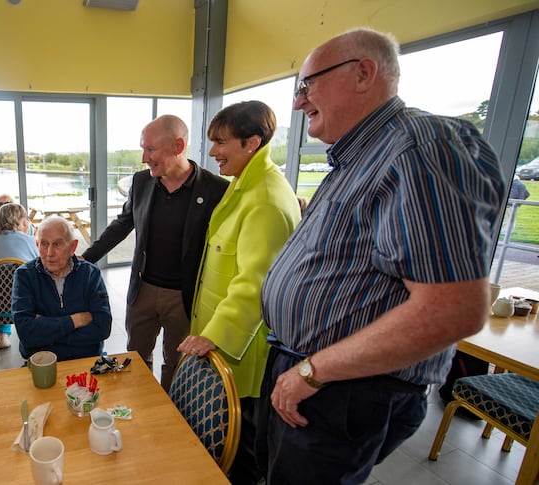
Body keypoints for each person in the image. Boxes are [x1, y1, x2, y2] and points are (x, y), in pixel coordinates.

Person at [255, 28, 505, 484]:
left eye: (307, 84)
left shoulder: (419, 148)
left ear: (363, 73)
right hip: (315, 374)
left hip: (341, 387)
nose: (298, 101)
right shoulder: (363, 154)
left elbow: (453, 310)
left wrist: (311, 372)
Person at [177, 100, 301, 485]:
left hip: (243, 350)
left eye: (221, 142)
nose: (212, 151)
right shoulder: (246, 184)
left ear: (252, 142)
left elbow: (255, 284)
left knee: (242, 449)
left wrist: (214, 336)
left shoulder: (264, 200)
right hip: (226, 341)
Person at [82, 114, 228, 390]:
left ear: (178, 146)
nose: (143, 157)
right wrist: (84, 259)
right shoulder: (141, 183)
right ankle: (139, 407)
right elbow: (121, 226)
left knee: (178, 362)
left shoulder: (216, 190)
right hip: (143, 291)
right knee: (135, 357)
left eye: (150, 149)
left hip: (185, 297)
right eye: (143, 148)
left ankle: (172, 417)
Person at [12, 216, 112, 361]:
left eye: (57, 244)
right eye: (44, 244)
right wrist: (75, 320)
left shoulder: (90, 274)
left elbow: (102, 327)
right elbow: (26, 334)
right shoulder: (24, 275)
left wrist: (46, 333)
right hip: (42, 364)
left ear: (72, 247)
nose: (49, 253)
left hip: (86, 360)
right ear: (37, 245)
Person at [0, 202, 39, 349]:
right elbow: (40, 266)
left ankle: (3, 334)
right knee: (21, 281)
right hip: (26, 302)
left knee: (2, 282)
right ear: (18, 221)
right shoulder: (31, 241)